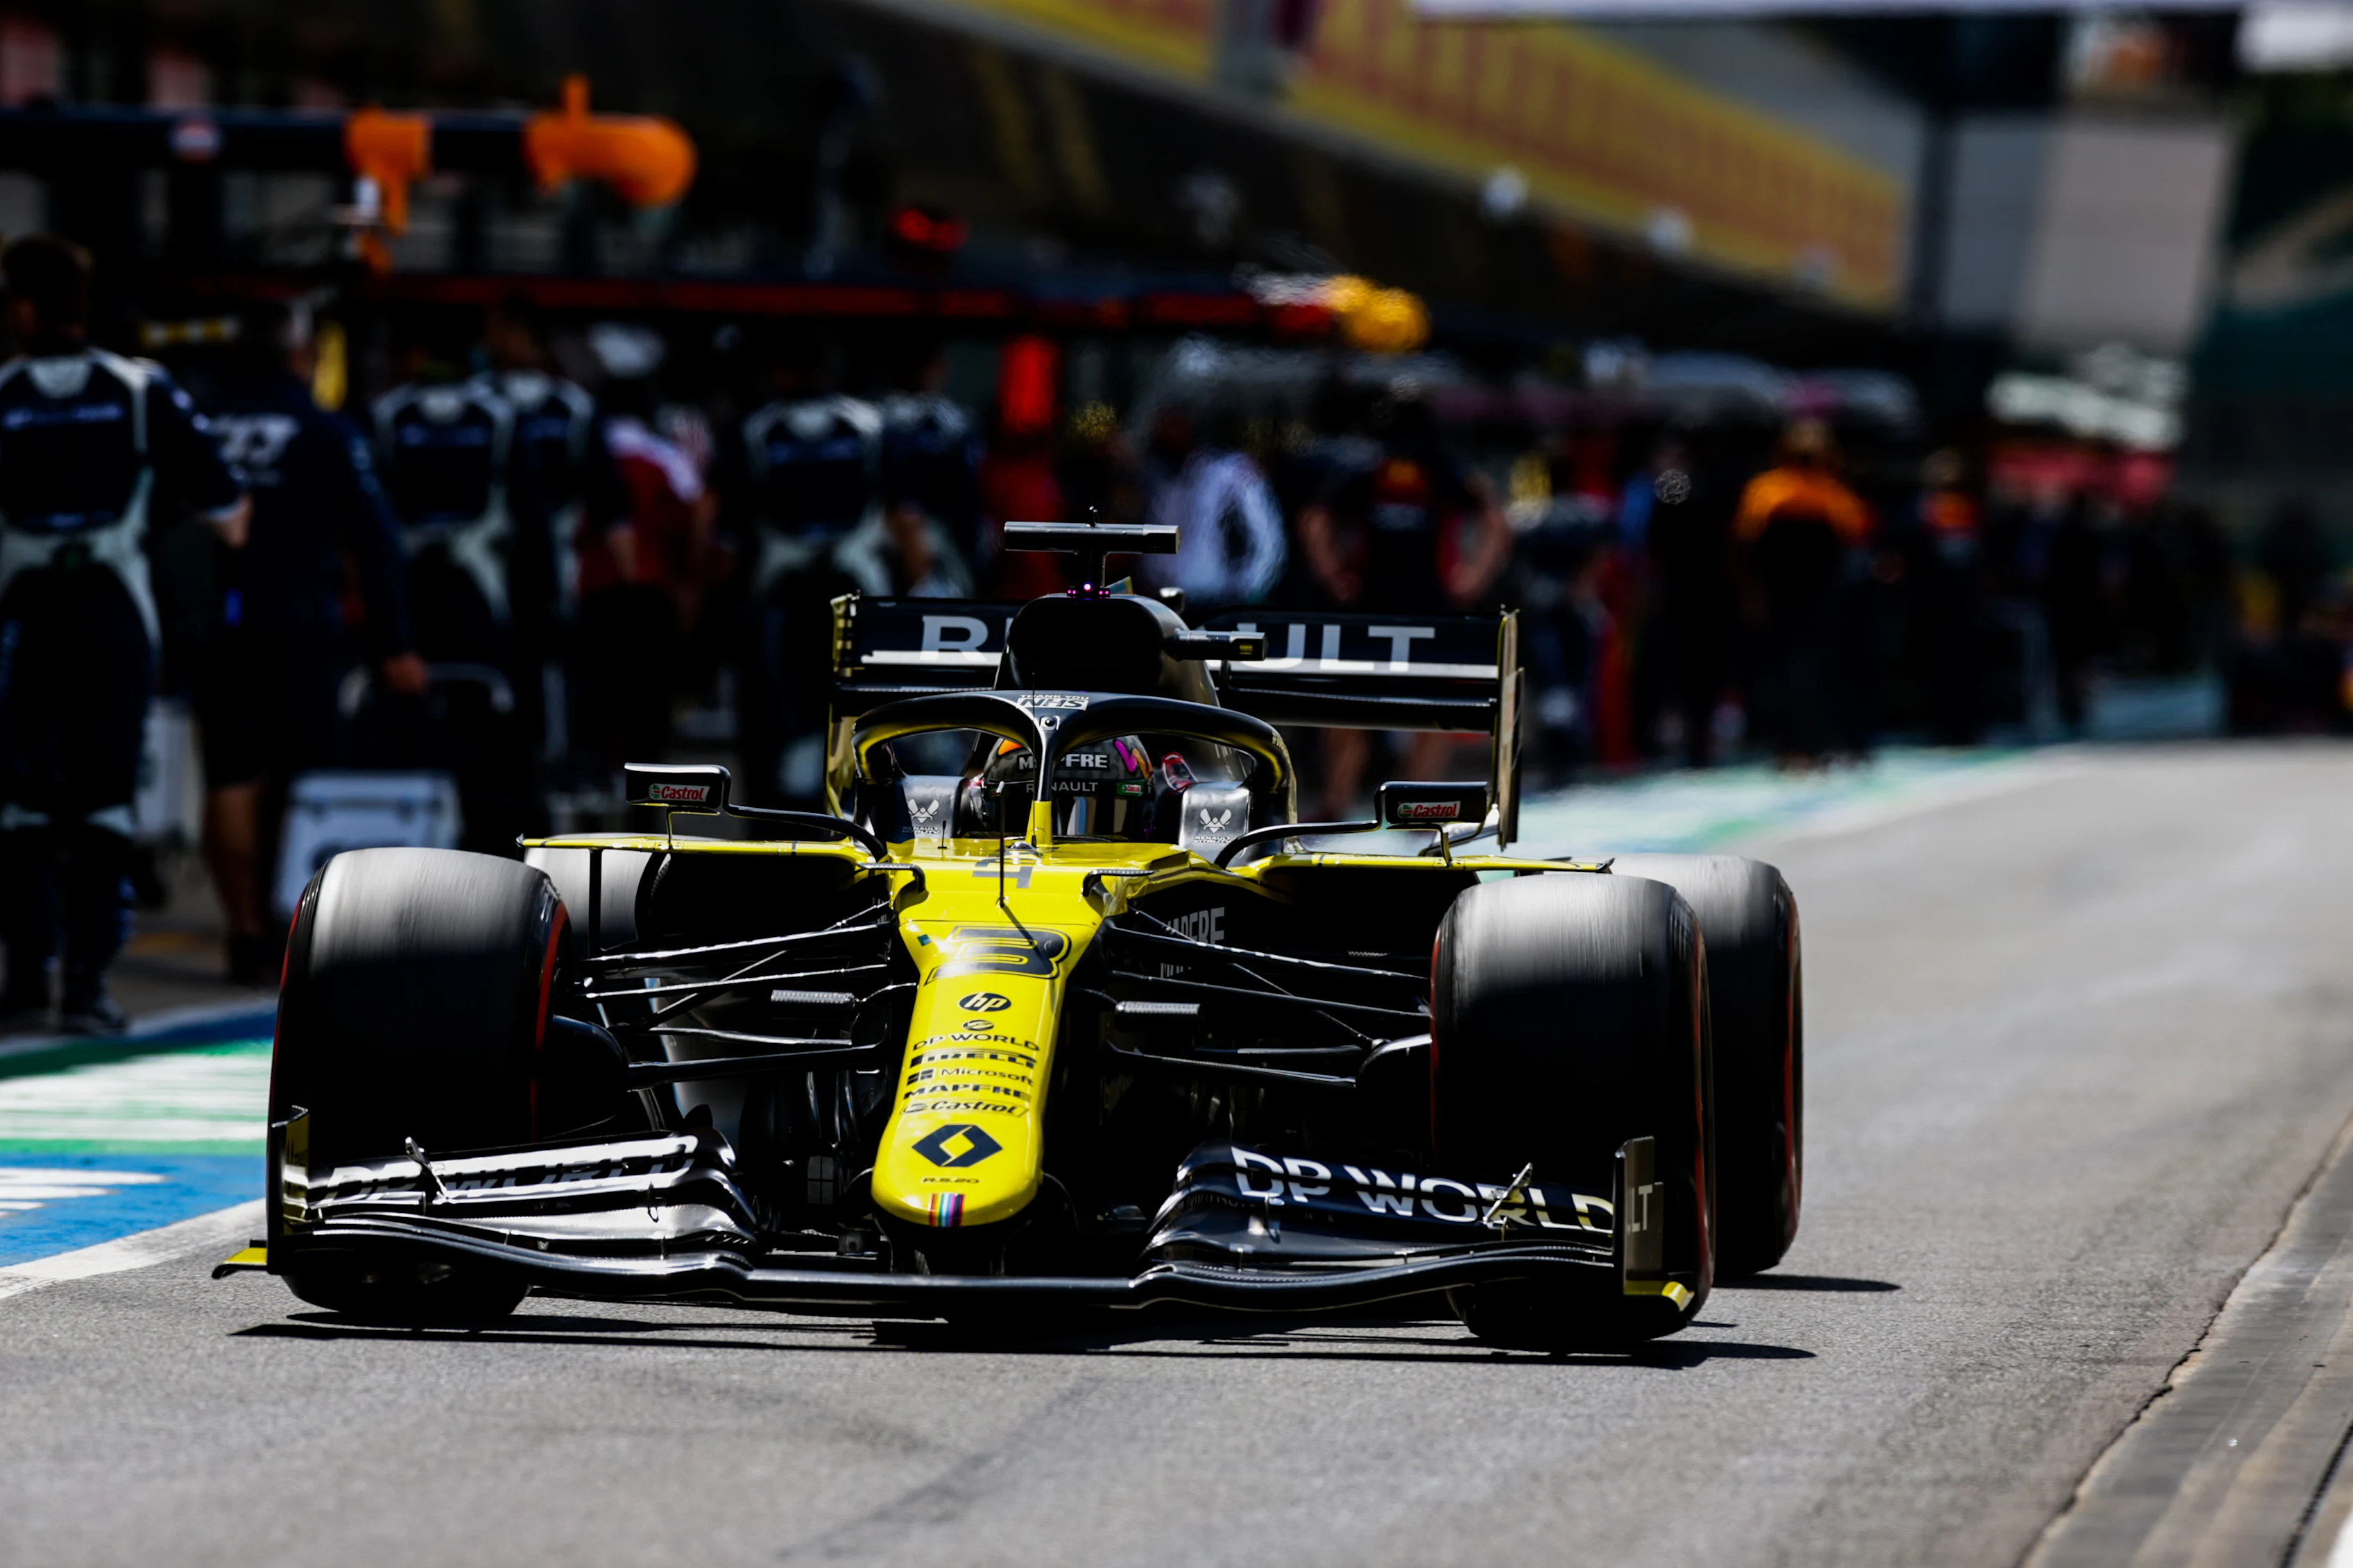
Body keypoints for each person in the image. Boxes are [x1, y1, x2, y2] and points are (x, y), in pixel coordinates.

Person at [0, 236, 248, 1031]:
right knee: (106, 799)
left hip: (21, 617)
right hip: (113, 615)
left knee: (21, 801)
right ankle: (89, 986)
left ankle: (27, 980)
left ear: (27, 307)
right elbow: (232, 516)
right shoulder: (144, 391)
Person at [199, 301, 424, 983]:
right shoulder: (326, 430)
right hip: (299, 626)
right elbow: (375, 541)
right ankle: (289, 927)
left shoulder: (201, 424)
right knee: (304, 780)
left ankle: (241, 928)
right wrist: (395, 642)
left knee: (229, 776)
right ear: (301, 356)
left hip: (214, 626)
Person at [1297, 386, 1509, 816]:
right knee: (1411, 713)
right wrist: (1473, 578)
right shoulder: (1381, 470)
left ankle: (1386, 803)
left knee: (1376, 711)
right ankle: (1386, 803)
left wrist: (1332, 573)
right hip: (1400, 611)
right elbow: (1315, 520)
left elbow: (1496, 523)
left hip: (1402, 611)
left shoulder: (1410, 469)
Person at [372, 335, 540, 850]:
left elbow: (364, 522)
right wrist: (542, 611)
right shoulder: (502, 418)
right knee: (487, 723)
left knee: (405, 717)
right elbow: (532, 521)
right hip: (480, 598)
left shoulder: (384, 416)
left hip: (405, 599)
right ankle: (490, 843)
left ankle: (405, 839)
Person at [718, 329, 882, 805]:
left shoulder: (758, 429)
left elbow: (725, 530)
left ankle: (778, 816)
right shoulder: (867, 425)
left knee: (777, 718)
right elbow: (903, 517)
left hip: (780, 595)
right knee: (855, 706)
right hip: (856, 594)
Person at [574, 368, 714, 767]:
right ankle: (647, 810)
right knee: (648, 713)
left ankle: (596, 801)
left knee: (597, 710)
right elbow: (696, 520)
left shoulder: (584, 453)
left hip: (593, 596)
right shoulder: (666, 458)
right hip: (652, 598)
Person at [1732, 419, 1870, 766]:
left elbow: (1744, 544)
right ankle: (1803, 745)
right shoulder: (1826, 495)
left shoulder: (1768, 492)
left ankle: (1800, 746)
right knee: (1802, 673)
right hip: (1799, 600)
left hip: (1802, 600)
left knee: (1796, 673)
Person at [1136, 397, 1287, 610]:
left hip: (1213, 600)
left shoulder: (1232, 474)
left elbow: (1269, 540)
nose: (1166, 435)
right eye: (1161, 430)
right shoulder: (1156, 476)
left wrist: (1248, 590)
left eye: (1174, 426)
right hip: (1158, 596)